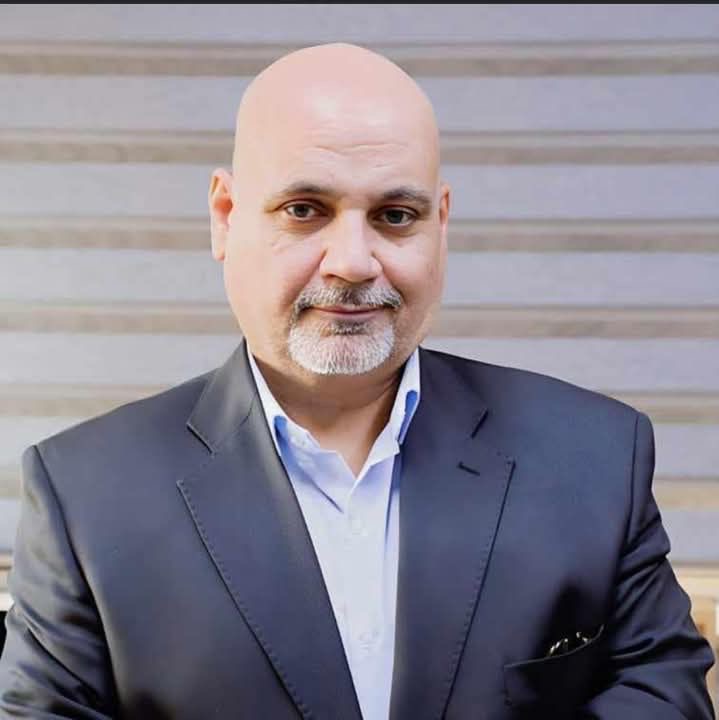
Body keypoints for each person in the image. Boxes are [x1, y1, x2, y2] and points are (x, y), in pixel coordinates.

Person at [0, 42, 714, 720]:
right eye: (303, 210)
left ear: (440, 225)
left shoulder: (595, 454)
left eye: (394, 217)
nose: (351, 262)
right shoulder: (83, 497)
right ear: (225, 217)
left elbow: (664, 692)